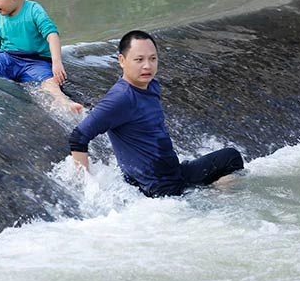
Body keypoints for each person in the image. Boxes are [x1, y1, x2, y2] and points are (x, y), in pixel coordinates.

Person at [69, 30, 243, 197]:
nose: (147, 66)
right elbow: (79, 136)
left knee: (230, 158)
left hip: (174, 173)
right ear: (121, 60)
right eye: (139, 59)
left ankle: (213, 195)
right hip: (159, 187)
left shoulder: (150, 84)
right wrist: (86, 186)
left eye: (152, 59)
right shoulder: (121, 98)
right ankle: (215, 200)